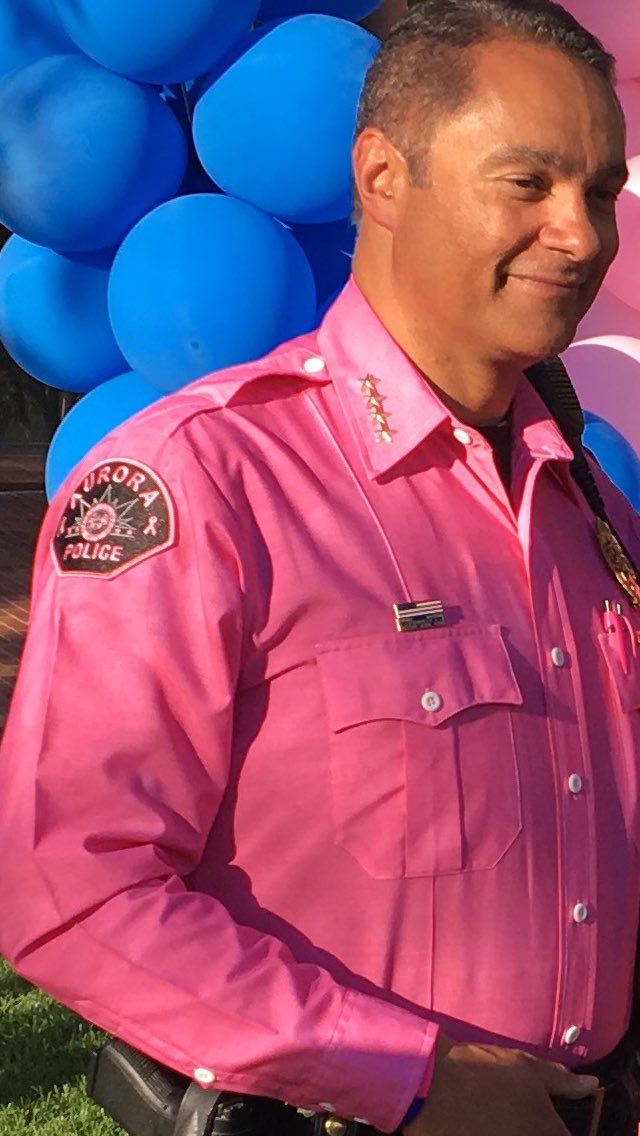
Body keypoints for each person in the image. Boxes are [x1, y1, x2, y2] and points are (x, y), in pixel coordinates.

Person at [0, 2, 638, 1135]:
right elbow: (67, 886)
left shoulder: (581, 496)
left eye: (598, 191)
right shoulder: (205, 481)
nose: (580, 234)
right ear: (384, 176)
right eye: (528, 184)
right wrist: (406, 1072)